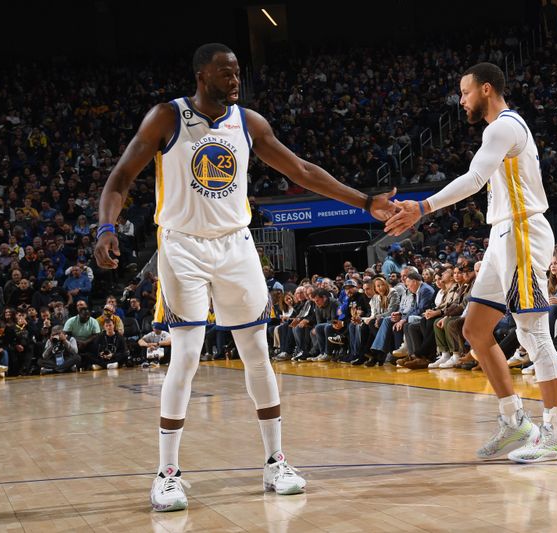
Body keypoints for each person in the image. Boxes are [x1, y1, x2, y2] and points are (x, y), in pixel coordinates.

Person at [94, 43, 395, 511]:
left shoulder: (249, 122)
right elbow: (119, 179)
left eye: (237, 73)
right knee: (187, 356)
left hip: (236, 244)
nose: (235, 80)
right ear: (201, 76)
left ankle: (275, 461)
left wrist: (363, 200)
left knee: (258, 353)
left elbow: (300, 170)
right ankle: (167, 473)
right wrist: (106, 227)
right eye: (225, 73)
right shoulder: (166, 118)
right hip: (183, 245)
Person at [385, 62, 557, 463]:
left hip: (523, 231)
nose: (462, 100)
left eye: (465, 92)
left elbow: (474, 179)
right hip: (503, 234)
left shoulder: (503, 126)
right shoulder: (502, 129)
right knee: (474, 329)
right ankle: (514, 422)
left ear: (486, 89)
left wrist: (423, 206)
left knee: (532, 330)